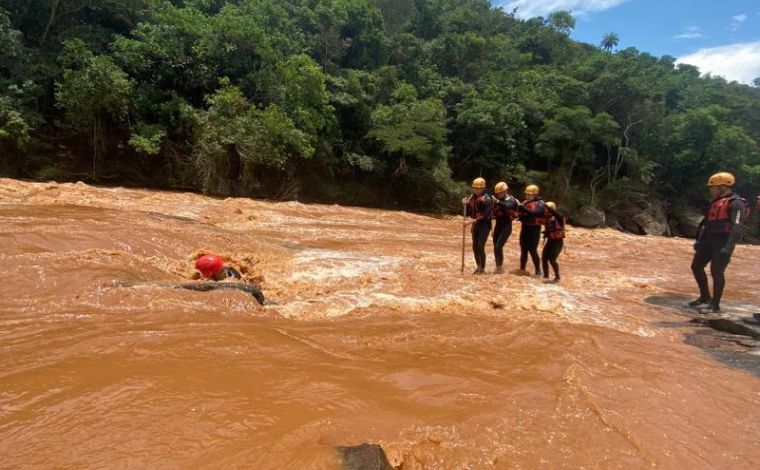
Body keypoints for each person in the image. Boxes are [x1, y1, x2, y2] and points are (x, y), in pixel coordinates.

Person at [689, 172, 748, 313]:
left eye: (713, 187)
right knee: (696, 266)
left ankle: (715, 305)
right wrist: (699, 240)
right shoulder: (715, 202)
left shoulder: (737, 203)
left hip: (723, 241)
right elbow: (706, 223)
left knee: (716, 271)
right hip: (708, 239)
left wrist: (729, 247)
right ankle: (705, 297)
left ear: (722, 187)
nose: (711, 190)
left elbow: (737, 226)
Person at [180, 253, 270, 305]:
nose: (224, 271)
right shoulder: (228, 272)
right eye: (221, 271)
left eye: (223, 269)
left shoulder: (233, 278)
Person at [463, 177, 493, 274]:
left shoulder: (488, 199)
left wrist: (471, 222)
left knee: (480, 246)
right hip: (475, 225)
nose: (476, 190)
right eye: (475, 188)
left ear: (483, 188)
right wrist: (465, 204)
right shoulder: (472, 197)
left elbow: (486, 215)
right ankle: (478, 267)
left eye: (478, 188)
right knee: (474, 247)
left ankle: (482, 269)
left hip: (484, 225)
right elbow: (468, 213)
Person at [491, 181, 520, 274]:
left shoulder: (511, 200)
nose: (499, 194)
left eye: (500, 193)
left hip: (506, 227)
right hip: (498, 226)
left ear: (505, 191)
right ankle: (498, 267)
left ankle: (500, 267)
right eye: (498, 193)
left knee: (499, 246)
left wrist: (497, 201)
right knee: (495, 247)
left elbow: (507, 206)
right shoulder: (498, 201)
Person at [517, 184, 545, 277]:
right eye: (527, 194)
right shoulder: (525, 202)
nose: (528, 196)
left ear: (535, 195)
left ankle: (538, 271)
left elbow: (535, 213)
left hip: (534, 230)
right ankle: (522, 269)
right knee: (523, 249)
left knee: (533, 250)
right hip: (525, 228)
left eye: (530, 195)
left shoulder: (540, 204)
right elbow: (520, 213)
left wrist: (522, 207)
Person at [541, 201, 566, 283]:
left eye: (548, 209)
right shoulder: (547, 218)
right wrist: (546, 232)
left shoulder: (559, 217)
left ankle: (557, 277)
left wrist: (546, 206)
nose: (546, 211)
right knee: (544, 258)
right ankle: (545, 276)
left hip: (558, 242)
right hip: (550, 241)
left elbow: (556, 214)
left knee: (552, 259)